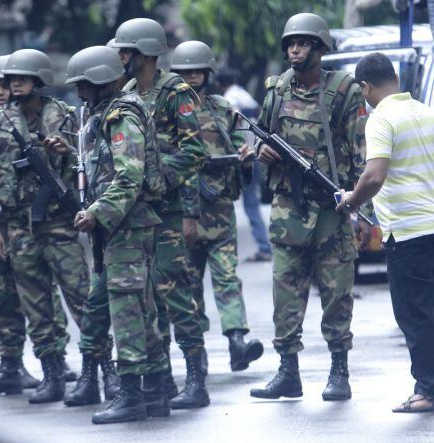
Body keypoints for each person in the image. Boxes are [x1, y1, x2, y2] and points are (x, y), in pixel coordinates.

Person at [249, 13, 371, 402]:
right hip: (289, 211)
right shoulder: (277, 90)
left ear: (319, 48)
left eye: (302, 44)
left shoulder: (344, 90)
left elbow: (360, 153)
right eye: (289, 44)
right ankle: (288, 371)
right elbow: (262, 137)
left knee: (337, 295)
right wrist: (260, 152)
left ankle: (340, 371)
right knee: (285, 294)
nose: (293, 50)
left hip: (333, 210)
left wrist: (357, 204)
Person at [60, 45, 171, 424]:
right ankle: (156, 391)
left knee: (127, 310)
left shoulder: (121, 116)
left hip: (127, 227)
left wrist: (96, 213)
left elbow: (129, 176)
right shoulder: (103, 114)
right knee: (141, 308)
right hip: (120, 228)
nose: (78, 94)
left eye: (83, 86)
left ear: (101, 82)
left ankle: (131, 394)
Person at [338, 52, 434, 413]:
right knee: (429, 312)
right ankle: (433, 389)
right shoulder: (427, 112)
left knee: (415, 315)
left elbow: (374, 175)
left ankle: (431, 392)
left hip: (408, 233)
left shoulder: (381, 119)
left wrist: (350, 201)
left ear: (366, 87)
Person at [0, 48, 91, 404]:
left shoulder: (64, 115)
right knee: (37, 307)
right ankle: (52, 374)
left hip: (58, 222)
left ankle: (99, 371)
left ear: (38, 80)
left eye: (22, 79)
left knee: (82, 299)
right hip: (18, 228)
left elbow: (83, 167)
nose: (14, 84)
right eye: (11, 80)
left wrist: (63, 154)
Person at [113, 17, 207, 401]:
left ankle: (196, 379)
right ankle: (161, 378)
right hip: (138, 213)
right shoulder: (129, 90)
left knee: (173, 290)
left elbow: (195, 150)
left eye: (126, 50)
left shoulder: (175, 91)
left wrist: (161, 177)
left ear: (144, 53)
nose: (120, 56)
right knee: (145, 296)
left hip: (166, 210)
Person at [170, 41, 265, 385]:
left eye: (198, 71)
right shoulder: (166, 112)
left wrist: (244, 159)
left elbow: (240, 146)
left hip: (218, 210)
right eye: (186, 72)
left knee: (227, 279)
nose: (193, 78)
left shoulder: (222, 108)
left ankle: (237, 342)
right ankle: (195, 359)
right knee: (187, 287)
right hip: (182, 214)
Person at [217, 67, 271, 262]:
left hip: (247, 155)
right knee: (252, 202)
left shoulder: (231, 98)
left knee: (250, 204)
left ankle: (264, 247)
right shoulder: (244, 94)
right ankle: (264, 246)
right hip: (256, 151)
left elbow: (233, 121)